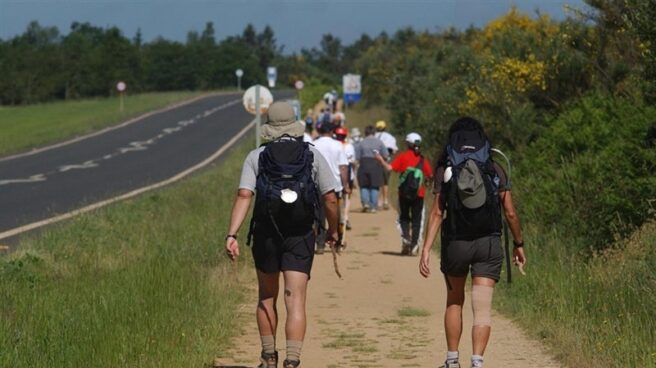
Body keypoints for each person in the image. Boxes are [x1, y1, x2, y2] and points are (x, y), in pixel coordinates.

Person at [225, 101, 340, 368]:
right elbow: (331, 199)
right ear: (295, 124)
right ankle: (292, 359)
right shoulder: (311, 155)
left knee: (266, 295)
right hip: (300, 234)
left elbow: (244, 195)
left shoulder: (257, 156)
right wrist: (333, 231)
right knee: (295, 298)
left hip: (266, 233)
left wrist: (231, 234)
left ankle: (268, 357)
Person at [418, 117, 527, 368]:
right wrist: (519, 244)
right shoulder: (495, 168)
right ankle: (477, 361)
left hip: (456, 244)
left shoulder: (445, 169)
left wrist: (425, 249)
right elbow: (510, 213)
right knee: (483, 307)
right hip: (488, 244)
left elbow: (437, 212)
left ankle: (452, 360)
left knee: (454, 300)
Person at [377, 132, 433, 255]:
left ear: (408, 144)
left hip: (404, 193)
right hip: (419, 194)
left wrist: (381, 160)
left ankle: (406, 238)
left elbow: (390, 168)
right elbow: (430, 175)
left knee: (404, 218)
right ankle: (414, 246)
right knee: (417, 220)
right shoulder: (422, 159)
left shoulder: (403, 157)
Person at [312, 121, 351, 253]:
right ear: (331, 132)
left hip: (316, 184)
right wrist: (345, 185)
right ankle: (338, 241)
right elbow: (343, 167)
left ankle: (320, 243)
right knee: (337, 214)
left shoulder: (314, 144)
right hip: (335, 185)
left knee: (319, 215)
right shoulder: (338, 145)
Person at [355, 125, 388, 213]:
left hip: (364, 164)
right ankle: (373, 206)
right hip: (376, 165)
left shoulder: (361, 143)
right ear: (374, 132)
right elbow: (385, 155)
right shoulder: (379, 142)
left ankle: (366, 203)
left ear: (365, 132)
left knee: (364, 185)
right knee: (374, 186)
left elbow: (357, 157)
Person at [335, 126, 356, 231]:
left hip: (335, 174)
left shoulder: (333, 145)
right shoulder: (349, 146)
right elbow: (352, 162)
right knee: (346, 198)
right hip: (347, 174)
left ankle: (339, 218)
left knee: (336, 198)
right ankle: (345, 218)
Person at [375, 120, 398, 210]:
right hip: (386, 161)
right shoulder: (391, 137)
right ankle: (385, 201)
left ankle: (379, 201)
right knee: (385, 182)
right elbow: (394, 150)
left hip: (376, 161)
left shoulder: (374, 136)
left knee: (378, 182)